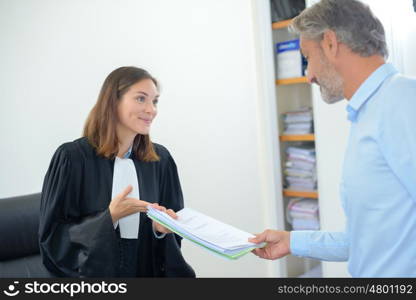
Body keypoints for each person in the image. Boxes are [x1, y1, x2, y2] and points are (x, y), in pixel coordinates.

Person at [250, 0, 416, 277]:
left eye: (308, 58)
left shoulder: (403, 101)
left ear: (330, 43)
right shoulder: (367, 114)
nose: (309, 75)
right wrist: (292, 241)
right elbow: (364, 240)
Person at [39, 66, 195, 277]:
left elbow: (174, 234)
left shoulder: (160, 160)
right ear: (113, 102)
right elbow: (53, 239)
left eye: (155, 101)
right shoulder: (72, 158)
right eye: (141, 99)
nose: (151, 110)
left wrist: (161, 230)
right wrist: (109, 218)